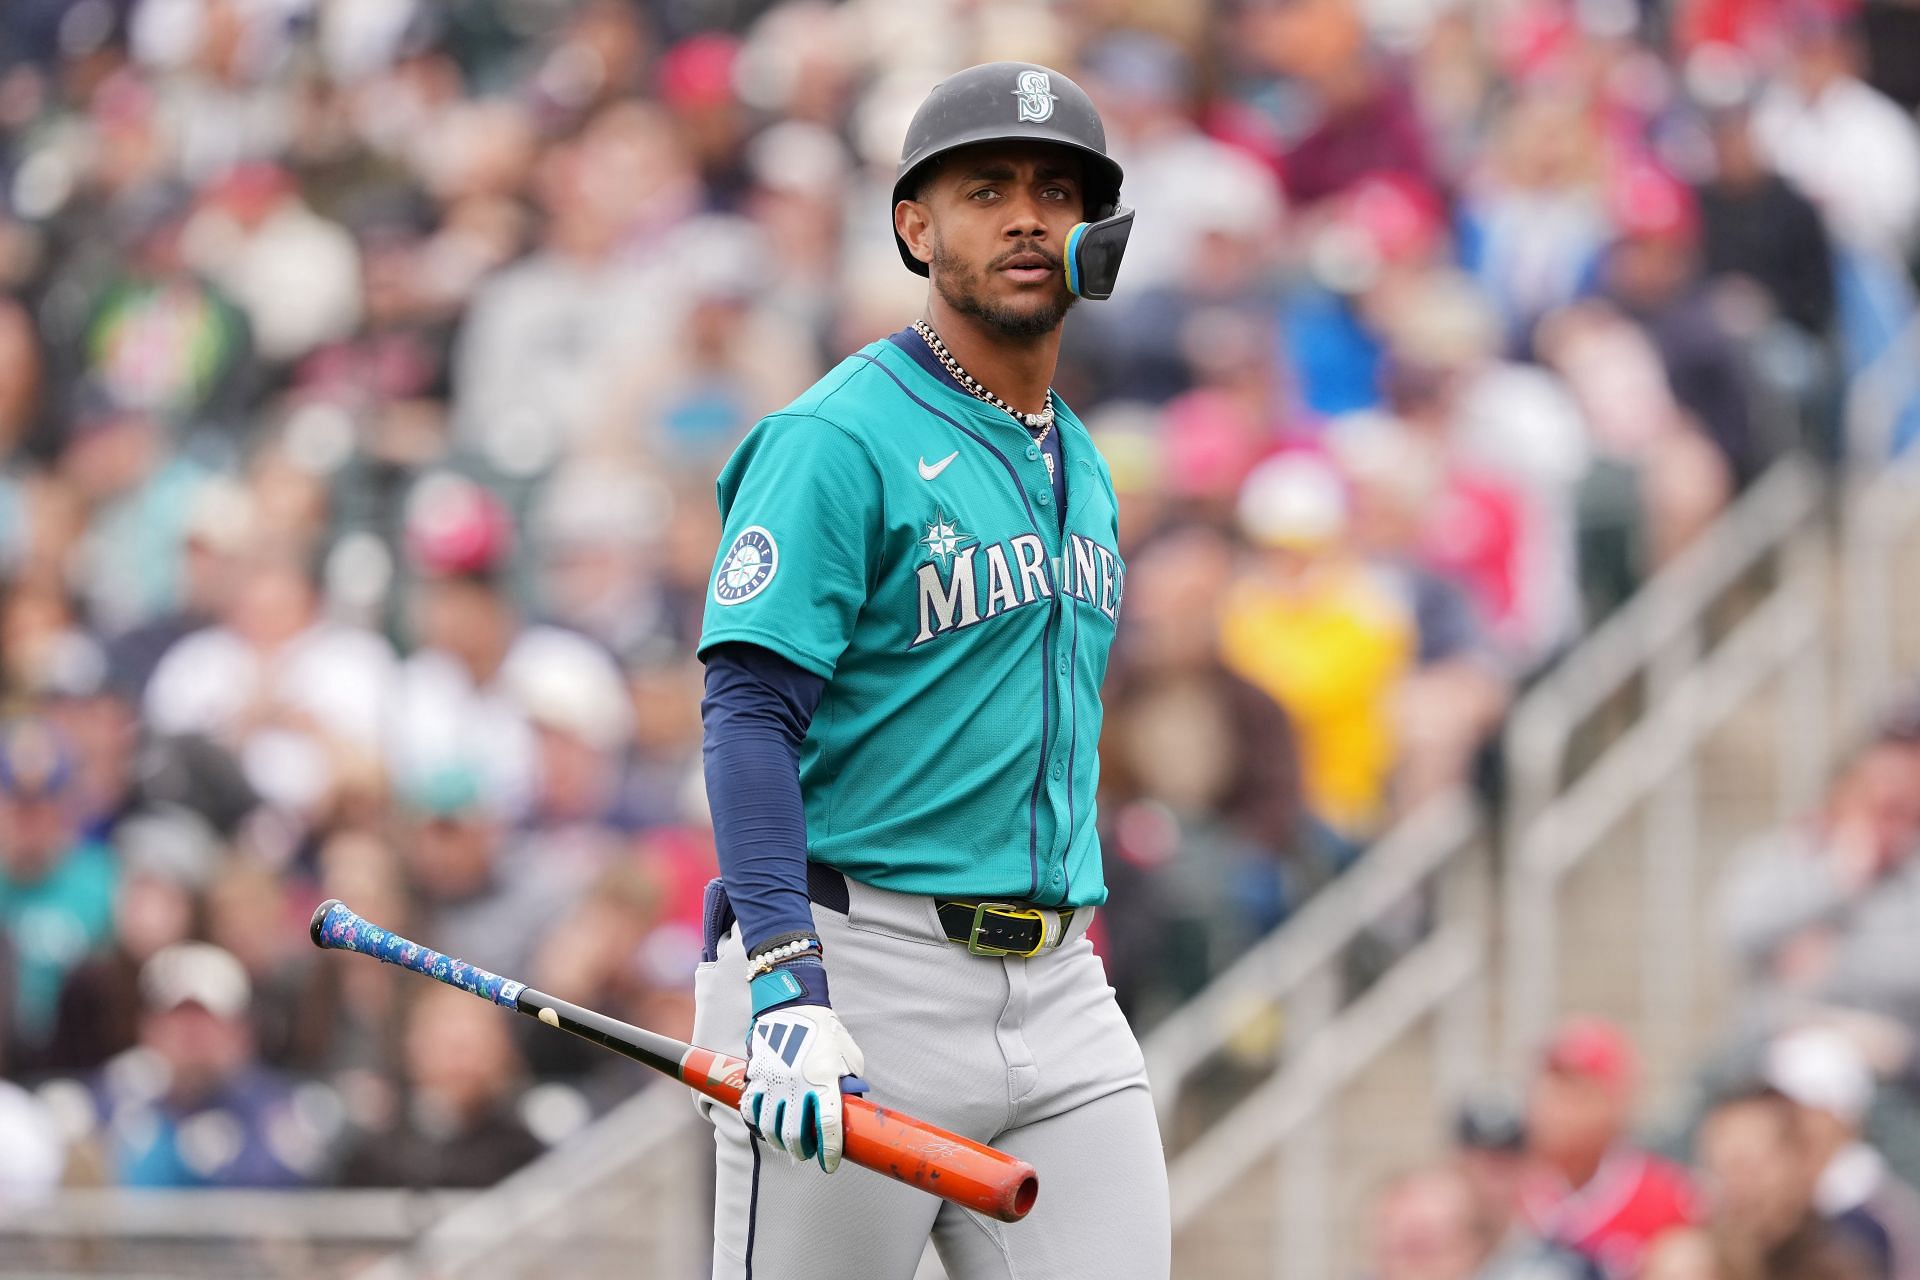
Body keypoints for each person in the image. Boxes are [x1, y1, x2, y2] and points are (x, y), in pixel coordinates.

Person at [690, 62, 1169, 1279]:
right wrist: (784, 982)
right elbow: (747, 714)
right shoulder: (834, 438)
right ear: (915, 224)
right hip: (862, 980)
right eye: (985, 188)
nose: (1025, 216)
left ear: (1094, 234)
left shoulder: (1083, 460)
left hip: (1060, 983)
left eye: (1058, 191)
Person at [1520, 1017, 1698, 1277]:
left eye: (1574, 1092)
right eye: (1548, 1088)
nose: (1553, 1108)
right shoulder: (1512, 1190)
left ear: (1617, 1103)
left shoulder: (1670, 1198)